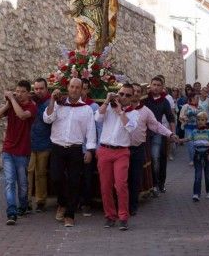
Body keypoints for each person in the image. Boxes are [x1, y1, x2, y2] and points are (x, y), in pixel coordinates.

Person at [43, 78, 96, 227]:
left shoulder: (86, 109)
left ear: (81, 90)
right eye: (72, 86)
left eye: (77, 87)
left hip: (75, 148)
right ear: (68, 87)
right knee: (56, 178)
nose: (74, 90)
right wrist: (52, 101)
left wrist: (90, 151)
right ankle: (62, 203)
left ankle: (69, 214)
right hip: (57, 147)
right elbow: (47, 119)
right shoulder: (59, 104)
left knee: (74, 181)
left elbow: (91, 132)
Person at [0, 80, 37, 225]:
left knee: (22, 184)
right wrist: (7, 105)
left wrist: (12, 100)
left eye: (22, 92)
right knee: (10, 182)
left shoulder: (31, 106)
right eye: (17, 91)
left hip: (22, 152)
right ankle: (11, 213)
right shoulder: (11, 106)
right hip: (8, 150)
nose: (19, 94)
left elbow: (22, 115)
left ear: (28, 93)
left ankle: (23, 206)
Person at [129, 83, 177, 216]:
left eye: (139, 91)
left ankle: (132, 206)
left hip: (138, 149)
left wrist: (170, 134)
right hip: (123, 150)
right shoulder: (121, 109)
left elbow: (156, 126)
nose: (136, 93)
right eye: (134, 91)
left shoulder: (145, 111)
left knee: (135, 178)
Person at [96, 83, 138, 231]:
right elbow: (98, 118)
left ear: (132, 97)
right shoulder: (108, 107)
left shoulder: (133, 112)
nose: (123, 97)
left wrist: (120, 111)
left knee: (120, 185)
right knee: (105, 186)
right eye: (121, 94)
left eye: (127, 95)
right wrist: (107, 101)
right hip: (105, 149)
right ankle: (110, 216)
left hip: (121, 151)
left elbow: (131, 128)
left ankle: (123, 217)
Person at [143, 76, 176, 197]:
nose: (156, 87)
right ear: (150, 86)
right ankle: (148, 185)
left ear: (162, 88)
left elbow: (170, 118)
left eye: (158, 85)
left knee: (156, 158)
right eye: (154, 85)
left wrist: (172, 133)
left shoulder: (164, 101)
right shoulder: (145, 99)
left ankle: (158, 184)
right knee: (145, 160)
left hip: (157, 132)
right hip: (143, 133)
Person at [27, 78, 52, 213]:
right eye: (36, 89)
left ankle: (40, 201)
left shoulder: (50, 102)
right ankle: (27, 200)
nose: (38, 91)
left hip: (44, 143)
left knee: (41, 173)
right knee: (29, 172)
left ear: (46, 89)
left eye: (41, 88)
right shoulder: (31, 101)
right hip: (30, 143)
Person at [79, 79, 102, 217]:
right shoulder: (69, 105)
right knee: (74, 176)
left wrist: (96, 147)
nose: (82, 91)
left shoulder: (93, 107)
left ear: (88, 90)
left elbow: (98, 128)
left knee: (87, 176)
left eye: (85, 88)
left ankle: (86, 203)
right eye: (80, 88)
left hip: (88, 147)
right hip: (74, 147)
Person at [187, 112, 209, 202]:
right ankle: (196, 193)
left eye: (202, 120)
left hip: (207, 154)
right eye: (198, 120)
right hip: (198, 155)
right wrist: (179, 140)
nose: (200, 122)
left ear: (206, 121)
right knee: (198, 175)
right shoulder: (194, 132)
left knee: (208, 175)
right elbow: (188, 139)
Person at [179, 92, 200, 166]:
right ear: (192, 98)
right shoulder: (186, 106)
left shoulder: (199, 107)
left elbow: (202, 117)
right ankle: (192, 159)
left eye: (198, 98)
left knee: (197, 144)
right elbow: (181, 116)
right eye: (196, 98)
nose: (197, 99)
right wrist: (185, 118)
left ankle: (197, 158)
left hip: (197, 128)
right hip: (188, 127)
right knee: (190, 143)